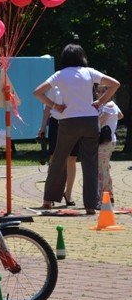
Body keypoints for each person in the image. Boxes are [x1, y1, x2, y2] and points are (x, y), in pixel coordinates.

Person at [33, 43, 120, 213]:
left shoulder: (59, 75)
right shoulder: (89, 72)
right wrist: (100, 101)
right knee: (90, 163)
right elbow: (115, 84)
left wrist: (54, 106)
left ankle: (48, 200)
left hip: (68, 121)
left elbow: (37, 92)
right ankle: (90, 206)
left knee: (58, 160)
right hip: (89, 121)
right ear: (82, 57)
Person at [37, 85, 78, 206]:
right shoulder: (55, 86)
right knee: (54, 158)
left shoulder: (79, 84)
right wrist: (43, 126)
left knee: (72, 159)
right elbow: (47, 108)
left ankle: (68, 193)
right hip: (57, 122)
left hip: (74, 123)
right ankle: (49, 195)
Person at [97, 85, 123, 202]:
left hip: (105, 142)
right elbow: (120, 115)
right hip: (109, 141)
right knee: (104, 167)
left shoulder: (109, 105)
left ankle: (104, 195)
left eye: (104, 91)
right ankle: (109, 194)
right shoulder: (112, 105)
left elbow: (100, 122)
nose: (101, 93)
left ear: (110, 92)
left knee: (102, 169)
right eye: (99, 91)